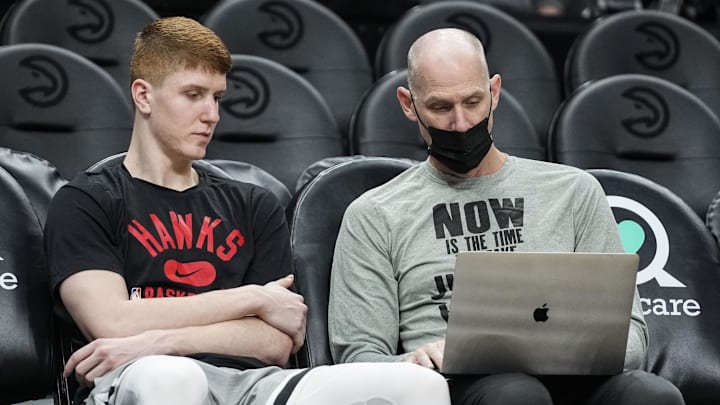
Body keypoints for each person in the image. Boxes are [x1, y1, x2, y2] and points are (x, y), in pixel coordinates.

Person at [44, 16, 451, 405]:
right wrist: (253, 299)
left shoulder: (253, 204)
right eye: (193, 95)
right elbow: (112, 323)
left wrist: (159, 338)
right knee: (173, 376)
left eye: (217, 97)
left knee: (418, 386)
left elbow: (276, 343)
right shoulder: (87, 200)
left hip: (250, 384)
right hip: (136, 377)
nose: (212, 115)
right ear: (143, 95)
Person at [327, 28, 685, 405]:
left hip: (574, 376)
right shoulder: (374, 214)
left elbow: (629, 334)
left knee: (652, 394)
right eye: (441, 107)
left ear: (495, 92)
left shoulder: (574, 191)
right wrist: (409, 362)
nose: (462, 123)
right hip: (452, 386)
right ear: (407, 103)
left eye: (473, 101)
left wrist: (556, 349)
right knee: (515, 394)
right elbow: (360, 357)